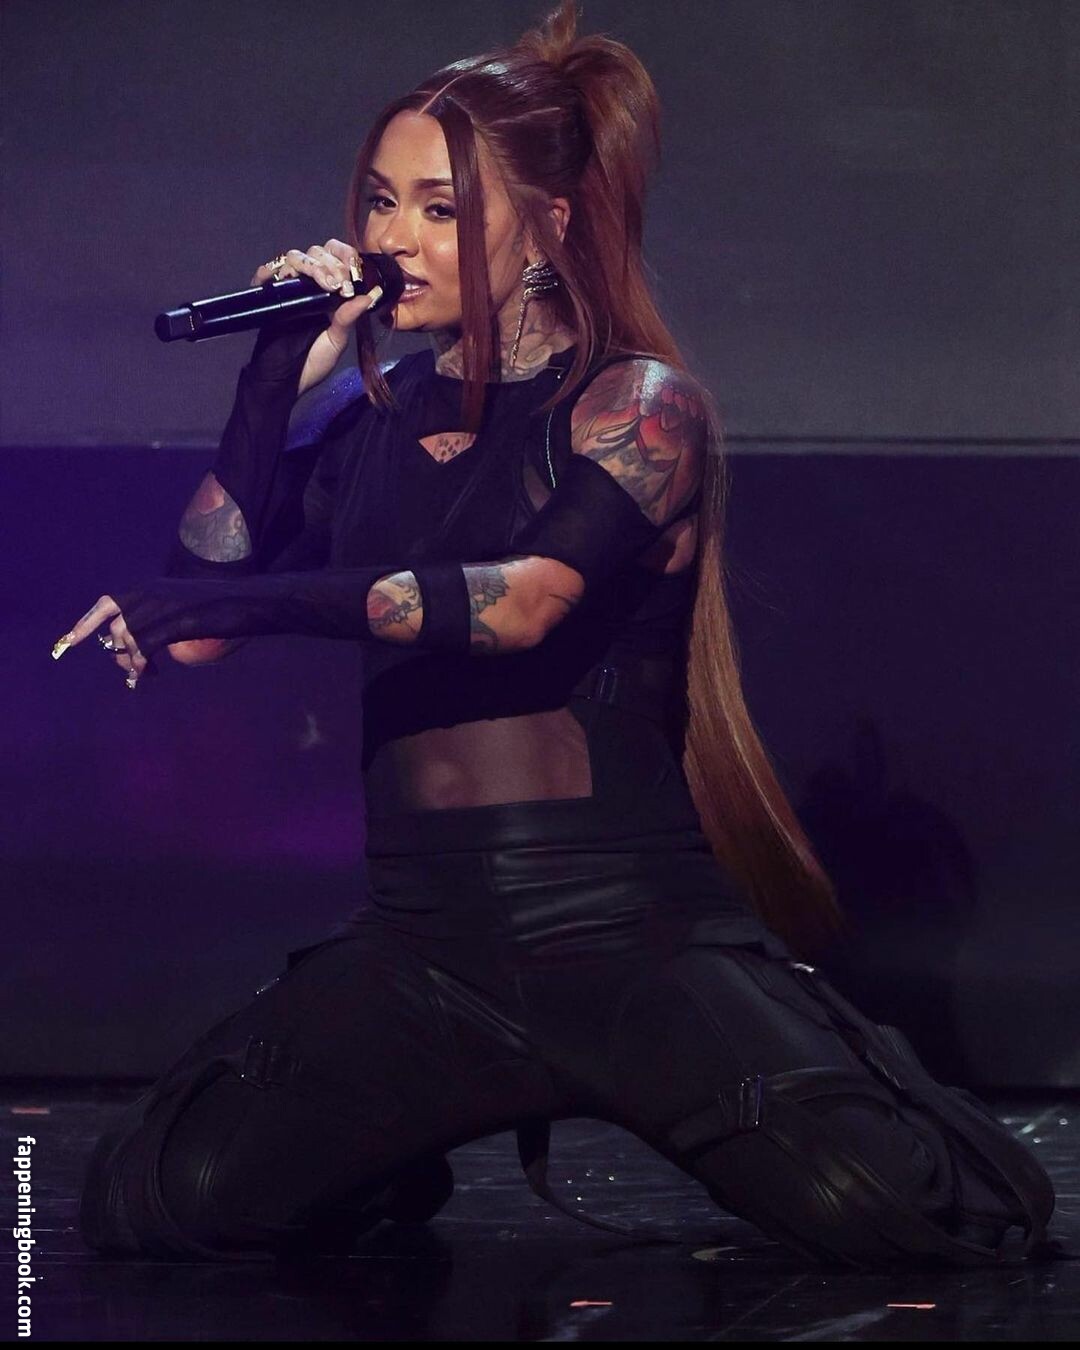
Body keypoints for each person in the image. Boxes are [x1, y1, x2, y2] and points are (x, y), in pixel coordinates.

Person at [64, 0, 1053, 1266]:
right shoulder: (363, 428)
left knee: (908, 1210)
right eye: (380, 203)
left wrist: (244, 606)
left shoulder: (637, 404)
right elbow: (197, 630)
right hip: (425, 943)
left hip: (618, 931)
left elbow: (526, 599)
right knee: (158, 1196)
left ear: (549, 225)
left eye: (440, 208)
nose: (392, 240)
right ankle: (395, 1142)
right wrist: (269, 386)